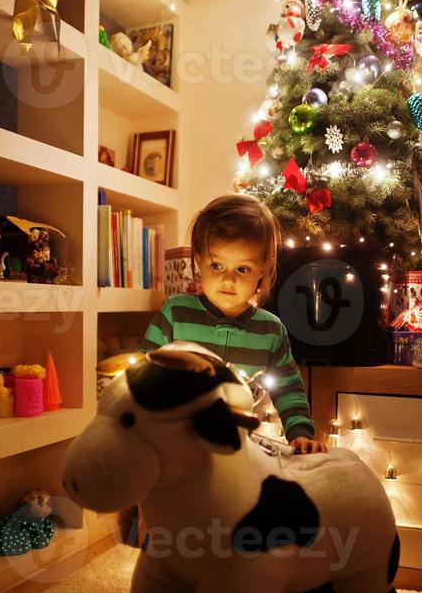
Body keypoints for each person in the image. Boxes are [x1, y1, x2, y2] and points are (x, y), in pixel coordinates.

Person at [137, 194, 327, 454]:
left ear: (263, 269)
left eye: (242, 269)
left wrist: (300, 434)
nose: (228, 280)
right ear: (199, 261)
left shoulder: (270, 330)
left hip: (235, 449)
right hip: (173, 443)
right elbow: (140, 371)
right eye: (216, 265)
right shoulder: (176, 312)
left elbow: (289, 388)